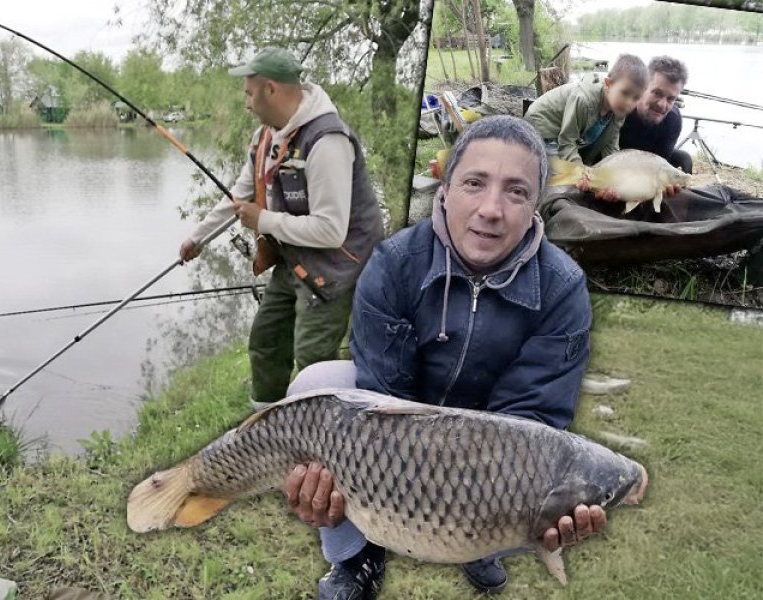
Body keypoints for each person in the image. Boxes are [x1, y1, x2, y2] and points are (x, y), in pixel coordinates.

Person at [281, 116, 603, 599]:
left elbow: (533, 421)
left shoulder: (562, 288)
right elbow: (380, 407)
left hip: (494, 436)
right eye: (475, 183)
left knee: (556, 476)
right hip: (402, 422)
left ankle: (480, 543)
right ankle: (356, 558)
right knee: (314, 385)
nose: (491, 209)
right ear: (446, 188)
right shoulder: (395, 262)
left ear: (535, 205)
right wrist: (357, 481)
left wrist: (482, 497)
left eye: (515, 192)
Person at [178, 47, 384, 408]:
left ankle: (319, 446)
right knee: (265, 340)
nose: (246, 103)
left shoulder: (327, 140)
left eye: (248, 92)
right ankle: (264, 427)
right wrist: (198, 238)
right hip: (296, 260)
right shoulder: (266, 139)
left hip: (336, 268)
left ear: (270, 89)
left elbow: (331, 231)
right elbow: (238, 197)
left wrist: (264, 220)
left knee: (312, 363)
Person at [523, 54, 648, 166]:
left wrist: (613, 175)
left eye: (636, 98)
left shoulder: (618, 112)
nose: (629, 103)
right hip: (542, 126)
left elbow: (610, 148)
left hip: (564, 136)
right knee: (562, 180)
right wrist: (580, 171)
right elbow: (567, 141)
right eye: (625, 93)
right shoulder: (584, 100)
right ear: (608, 84)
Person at [619, 56, 692, 174]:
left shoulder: (673, 120)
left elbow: (659, 163)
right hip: (615, 156)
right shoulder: (621, 107)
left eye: (671, 99)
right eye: (657, 93)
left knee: (684, 159)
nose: (662, 105)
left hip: (650, 160)